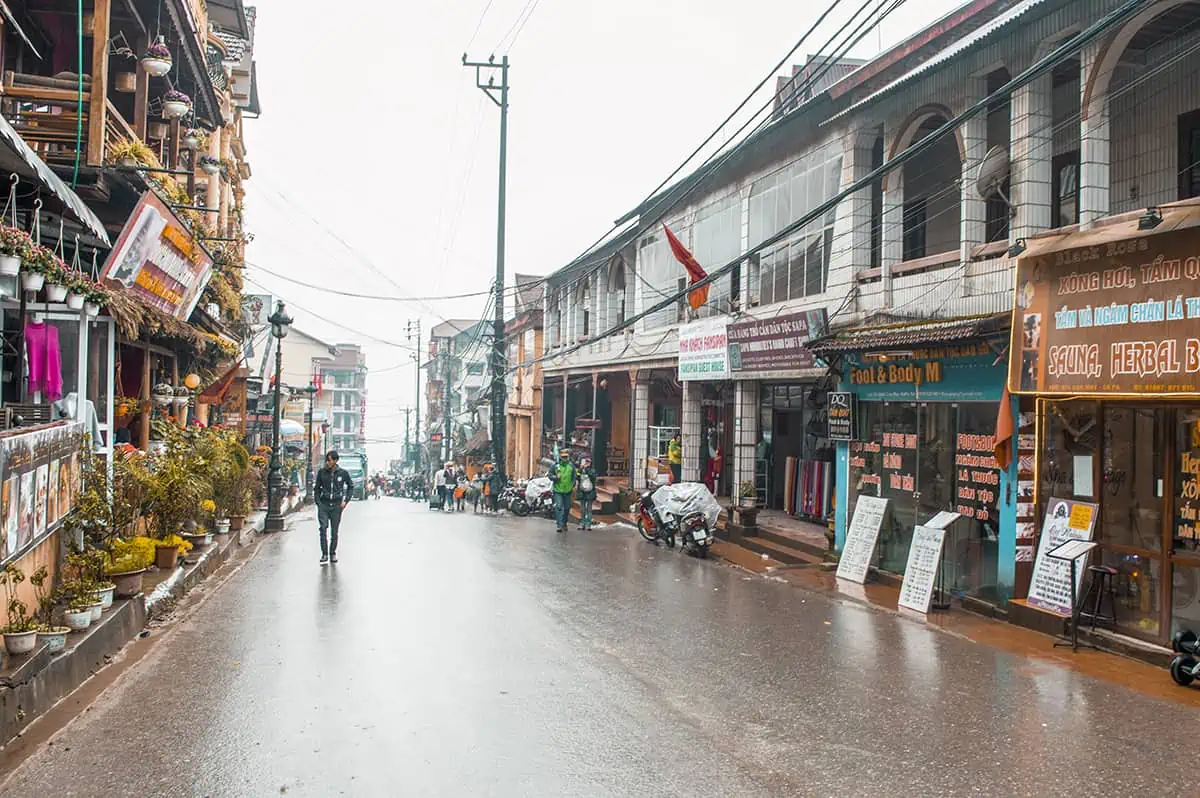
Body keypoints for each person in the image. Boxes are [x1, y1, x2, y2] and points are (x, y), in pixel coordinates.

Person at [313, 451, 353, 565]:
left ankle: (332, 553)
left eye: (330, 460)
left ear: (335, 461)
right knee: (323, 528)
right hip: (324, 505)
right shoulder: (322, 472)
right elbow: (317, 488)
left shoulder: (343, 473)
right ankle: (324, 553)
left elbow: (350, 486)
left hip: (336, 506)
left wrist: (345, 501)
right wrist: (318, 502)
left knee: (334, 531)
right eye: (327, 460)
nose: (328, 462)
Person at [549, 450, 577, 533]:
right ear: (560, 457)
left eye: (566, 457)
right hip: (558, 490)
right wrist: (555, 477)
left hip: (568, 490)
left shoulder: (571, 466)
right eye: (563, 457)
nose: (565, 458)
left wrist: (573, 485)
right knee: (559, 507)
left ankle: (564, 523)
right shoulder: (555, 466)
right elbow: (550, 475)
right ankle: (559, 525)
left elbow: (574, 476)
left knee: (567, 508)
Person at [576, 457, 598, 531]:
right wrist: (580, 469)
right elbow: (577, 476)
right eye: (585, 462)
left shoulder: (592, 470)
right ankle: (582, 523)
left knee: (589, 509)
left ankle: (588, 524)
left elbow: (594, 477)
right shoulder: (580, 470)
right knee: (582, 509)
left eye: (588, 462)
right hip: (582, 491)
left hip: (590, 492)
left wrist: (587, 469)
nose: (586, 463)